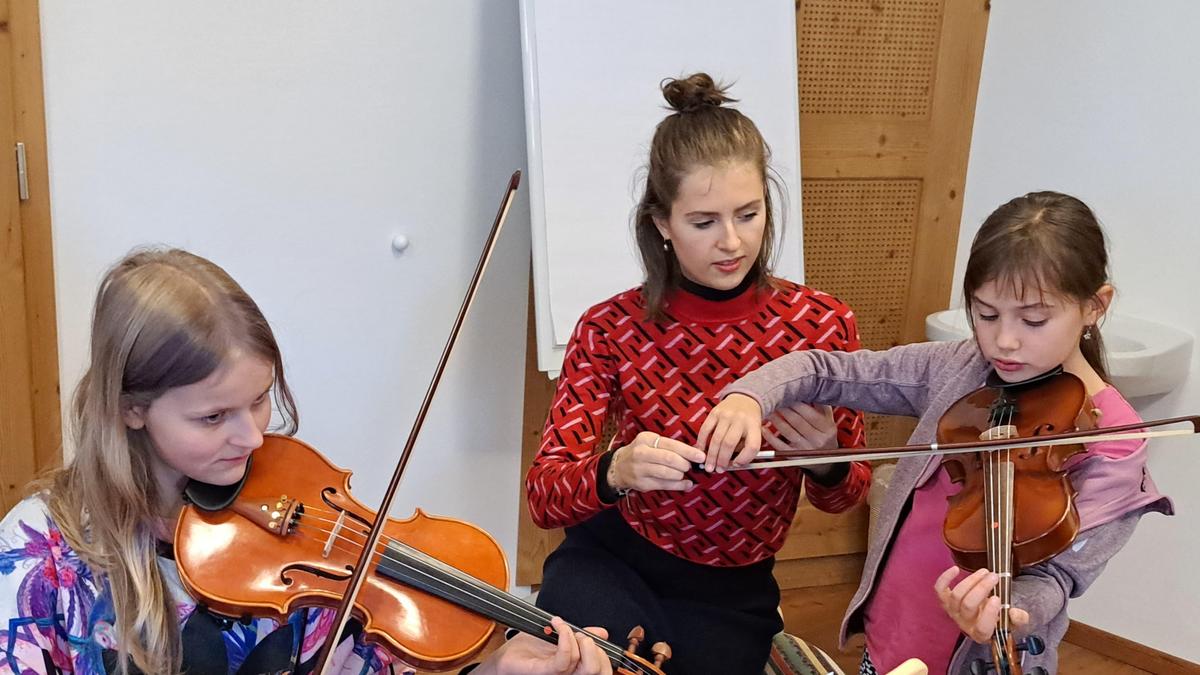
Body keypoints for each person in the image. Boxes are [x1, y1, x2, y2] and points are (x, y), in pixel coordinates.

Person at [0, 248, 611, 675]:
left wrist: (493, 672)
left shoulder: (302, 524)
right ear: (131, 409)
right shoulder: (40, 548)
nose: (252, 439)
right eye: (213, 418)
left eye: (260, 400)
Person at [699, 191, 1173, 674]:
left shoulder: (1114, 441)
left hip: (981, 660)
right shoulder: (960, 365)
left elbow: (1058, 577)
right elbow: (827, 370)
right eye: (986, 314)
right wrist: (749, 395)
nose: (1003, 341)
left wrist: (1009, 610)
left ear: (1096, 306)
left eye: (1034, 319)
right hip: (896, 630)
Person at [525, 73, 871, 674]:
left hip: (733, 591)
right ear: (662, 223)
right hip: (615, 560)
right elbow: (545, 496)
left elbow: (849, 494)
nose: (732, 242)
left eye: (749, 213)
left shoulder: (822, 322)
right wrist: (616, 470)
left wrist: (827, 458)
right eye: (703, 222)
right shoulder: (609, 327)